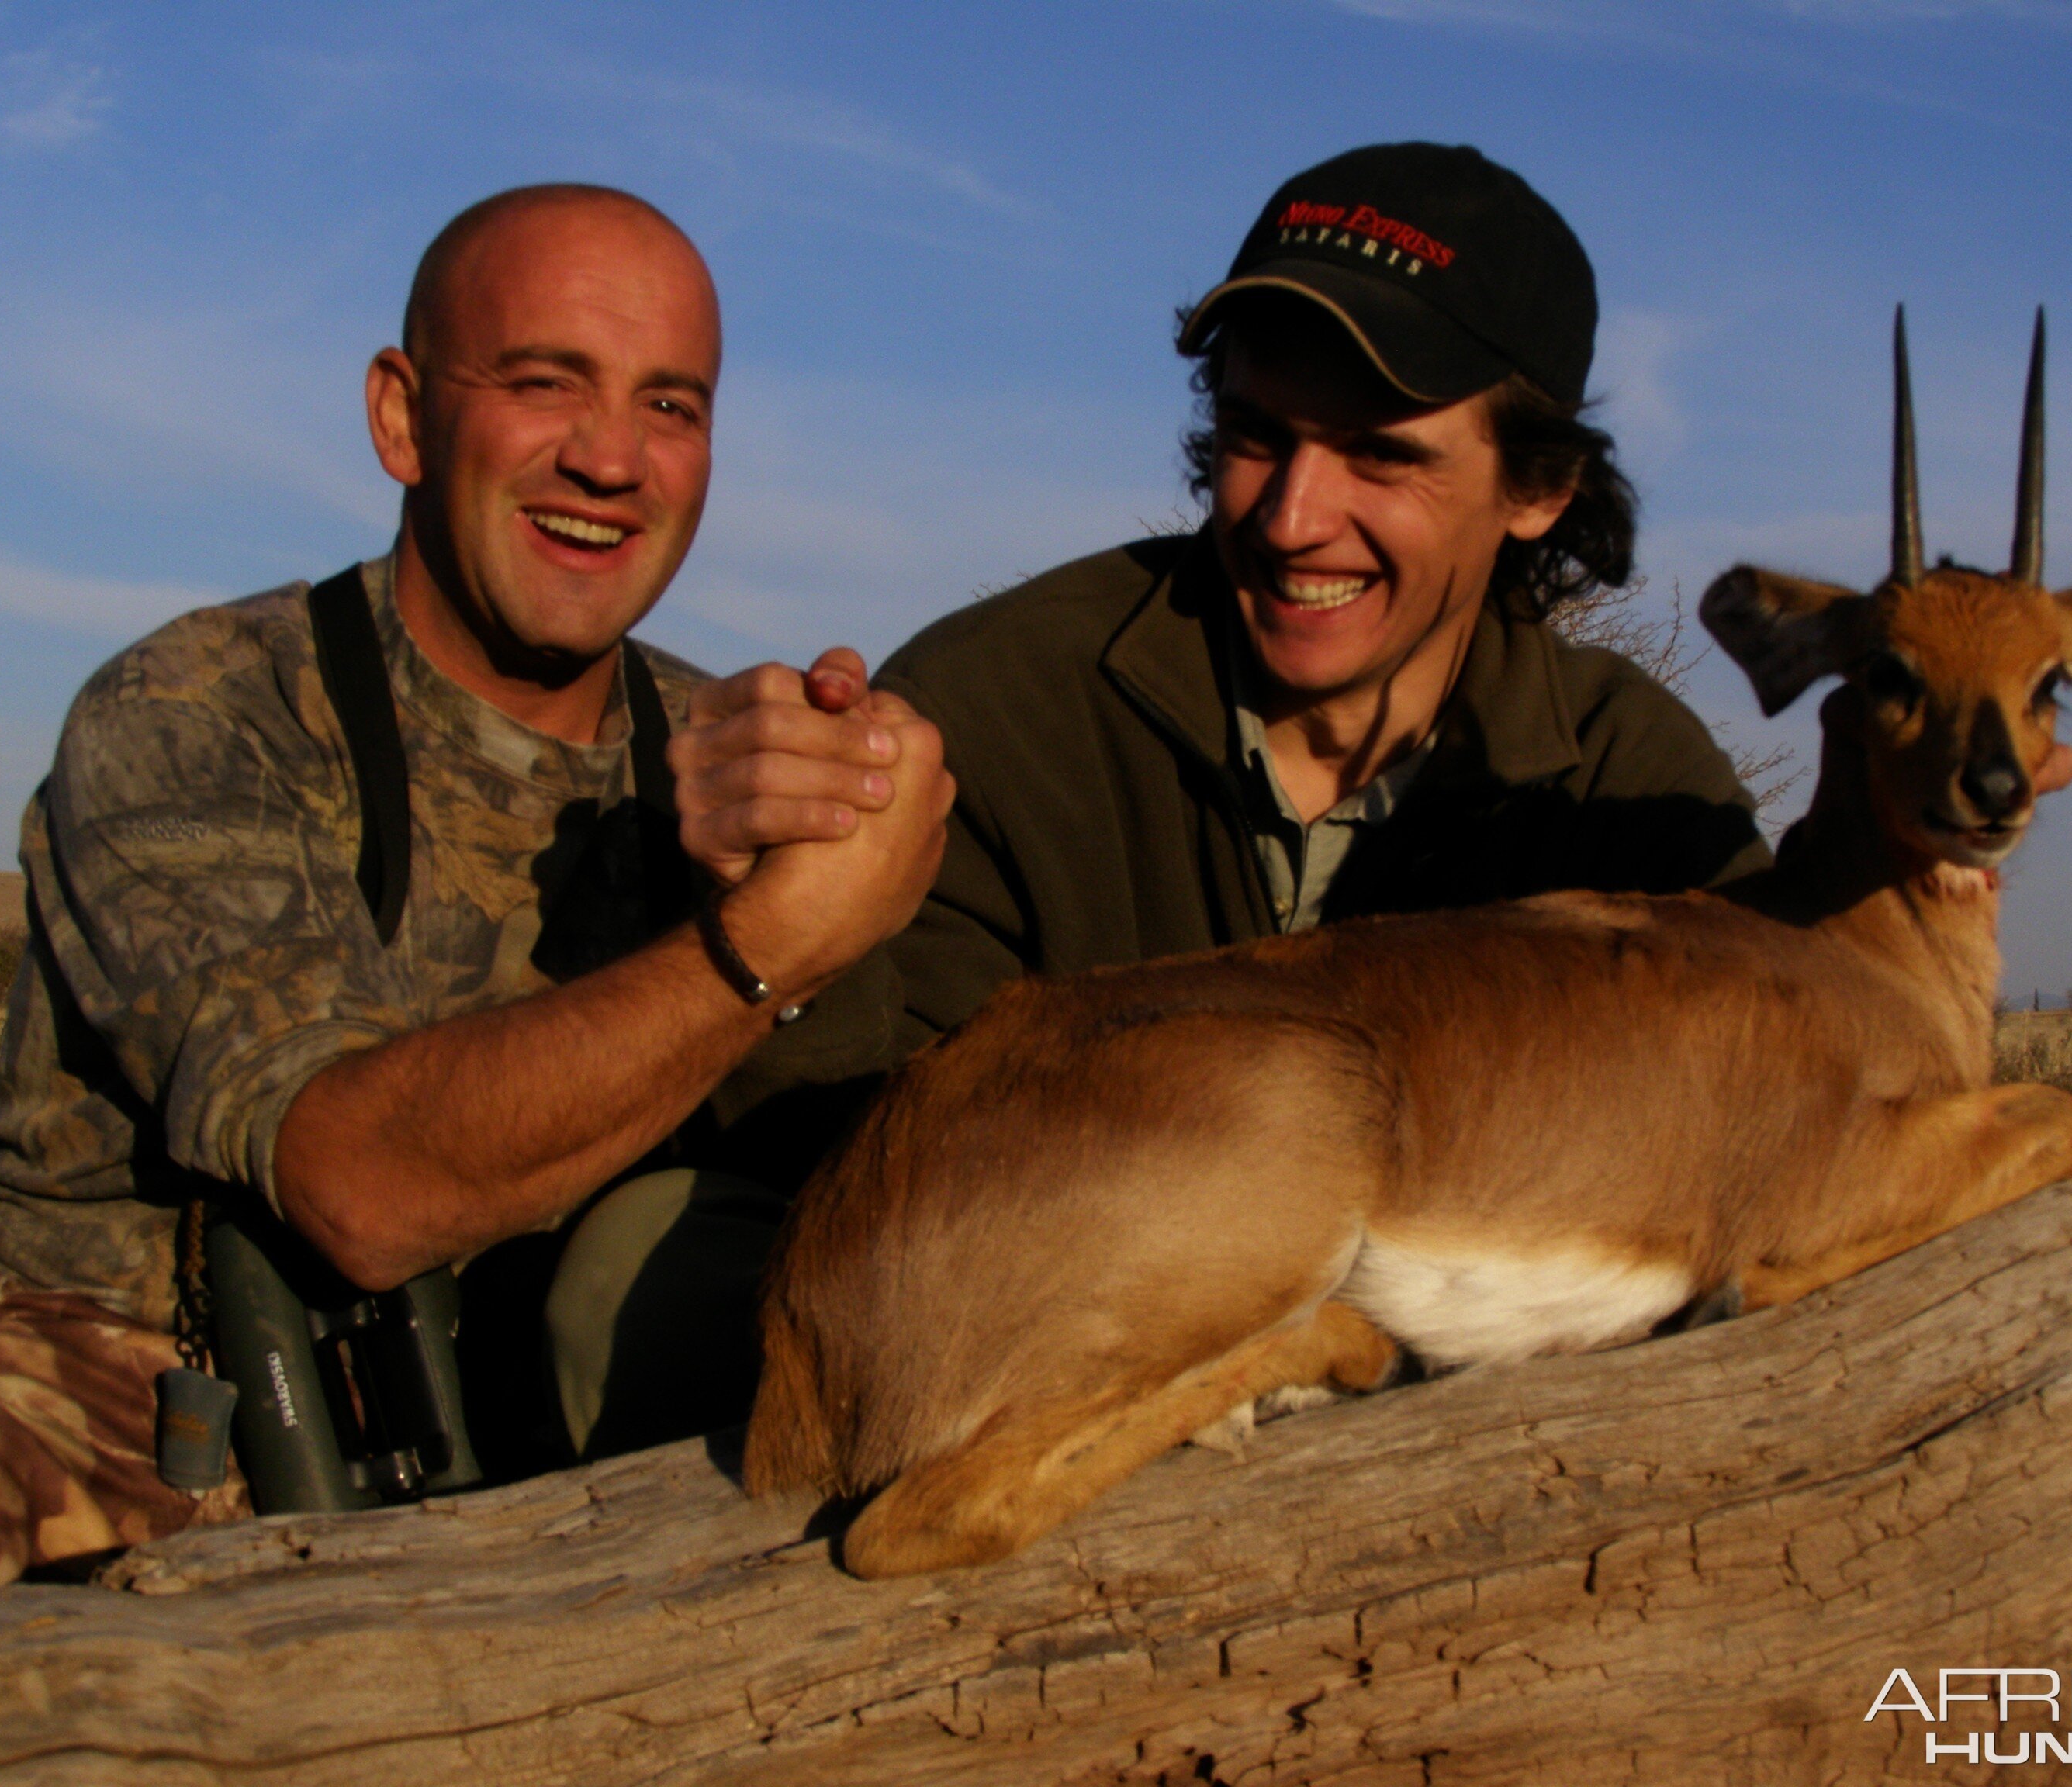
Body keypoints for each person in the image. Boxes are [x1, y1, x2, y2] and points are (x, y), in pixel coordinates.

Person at [0, 184, 950, 1585]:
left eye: (673, 406)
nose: (612, 459)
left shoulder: (725, 759)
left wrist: (837, 867)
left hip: (509, 1419)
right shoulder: (199, 709)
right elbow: (358, 1189)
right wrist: (767, 945)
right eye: (546, 384)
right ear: (402, 417)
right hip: (125, 1399)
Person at [684, 142, 1775, 1177]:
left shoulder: (1631, 788)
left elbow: (1777, 1110)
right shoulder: (998, 710)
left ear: (1538, 492)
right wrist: (788, 940)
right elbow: (842, 1169)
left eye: (1381, 456)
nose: (1293, 519)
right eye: (1258, 434)